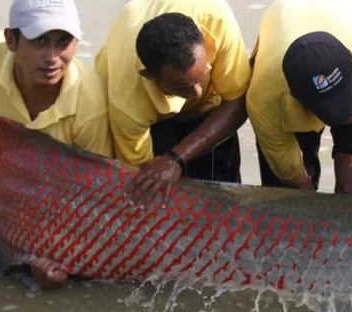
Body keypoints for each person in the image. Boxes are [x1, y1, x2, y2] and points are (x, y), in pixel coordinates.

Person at [0, 0, 113, 290]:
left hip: (60, 190)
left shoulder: (90, 101)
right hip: (5, 167)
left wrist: (48, 251)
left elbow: (94, 197)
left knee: (55, 280)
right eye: (39, 41)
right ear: (11, 40)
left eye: (64, 41)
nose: (52, 58)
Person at [246, 0, 352, 198]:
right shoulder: (264, 102)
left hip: (348, 15)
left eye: (348, 97)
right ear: (296, 96)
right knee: (287, 195)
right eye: (334, 108)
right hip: (280, 24)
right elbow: (297, 184)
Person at [94, 0, 252, 204]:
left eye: (202, 77)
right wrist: (167, 162)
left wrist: (178, 157)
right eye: (182, 87)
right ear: (149, 75)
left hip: (210, 108)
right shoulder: (127, 100)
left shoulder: (218, 23)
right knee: (157, 188)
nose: (197, 93)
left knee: (224, 193)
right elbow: (143, 173)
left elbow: (237, 101)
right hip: (151, 114)